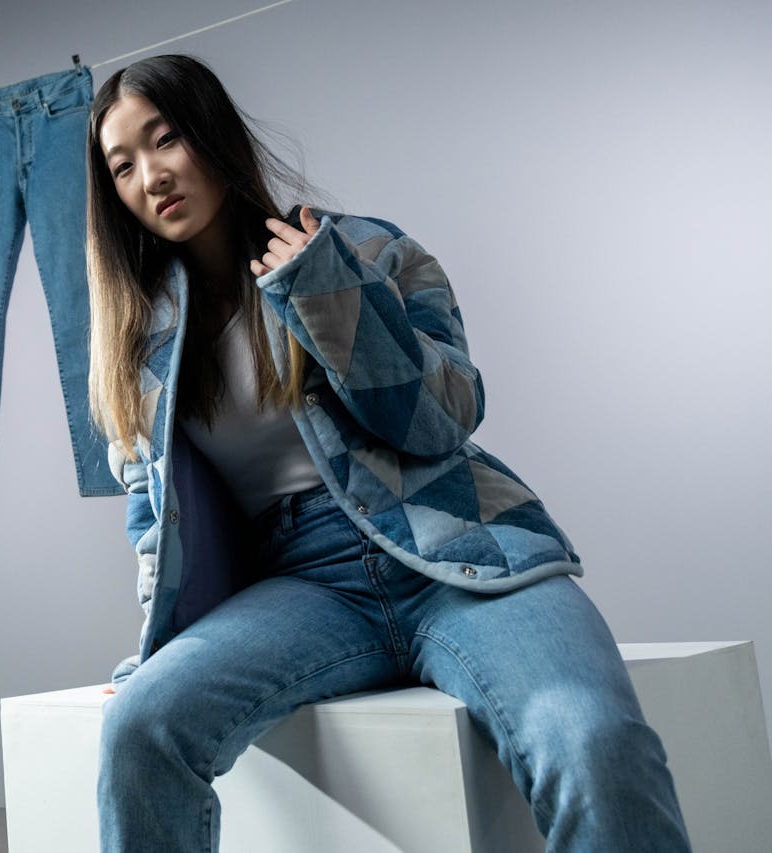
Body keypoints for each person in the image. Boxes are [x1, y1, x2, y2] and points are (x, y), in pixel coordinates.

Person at [84, 54, 691, 853]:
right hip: (303, 589)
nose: (151, 177)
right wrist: (158, 646)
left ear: (211, 132)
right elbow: (153, 512)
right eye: (123, 166)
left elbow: (446, 416)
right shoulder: (140, 342)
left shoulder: (366, 248)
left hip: (460, 553)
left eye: (165, 139)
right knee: (139, 727)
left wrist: (322, 289)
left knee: (592, 739)